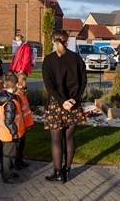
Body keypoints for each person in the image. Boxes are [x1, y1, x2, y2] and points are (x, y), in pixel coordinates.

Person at [41, 29, 87, 182]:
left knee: (56, 141)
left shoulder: (48, 60)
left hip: (56, 104)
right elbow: (83, 82)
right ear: (67, 41)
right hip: (73, 104)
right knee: (69, 139)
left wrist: (62, 102)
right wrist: (74, 99)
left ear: (53, 41)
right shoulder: (77, 58)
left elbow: (50, 86)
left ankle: (58, 172)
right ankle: (67, 172)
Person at [0, 72, 25, 184]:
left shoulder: (4, 96)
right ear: (16, 84)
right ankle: (7, 176)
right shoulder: (10, 102)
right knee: (9, 156)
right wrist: (14, 133)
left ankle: (6, 171)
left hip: (5, 133)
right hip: (10, 134)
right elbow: (8, 120)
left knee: (7, 154)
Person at [15, 73, 34, 169]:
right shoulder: (17, 95)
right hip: (19, 124)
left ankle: (20, 160)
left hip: (24, 123)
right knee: (18, 145)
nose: (26, 83)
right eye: (24, 81)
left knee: (22, 143)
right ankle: (16, 162)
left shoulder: (22, 92)